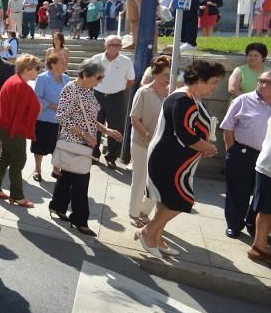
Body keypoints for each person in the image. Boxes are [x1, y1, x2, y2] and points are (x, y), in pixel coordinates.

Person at [140, 60, 225, 258]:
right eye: (213, 82)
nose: (215, 87)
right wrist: (209, 148)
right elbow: (185, 134)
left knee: (167, 201)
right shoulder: (184, 99)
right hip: (170, 160)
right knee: (180, 201)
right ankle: (147, 232)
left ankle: (157, 237)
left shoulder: (191, 98)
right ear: (199, 80)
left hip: (178, 161)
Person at [49, 60, 123, 236]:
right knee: (81, 182)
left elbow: (88, 118)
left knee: (67, 176)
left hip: (82, 144)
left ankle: (57, 206)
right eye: (98, 78)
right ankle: (80, 220)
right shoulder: (71, 88)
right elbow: (62, 117)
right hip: (75, 143)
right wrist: (85, 134)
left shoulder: (87, 90)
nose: (100, 81)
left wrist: (106, 130)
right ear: (86, 75)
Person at [220, 71, 271, 238]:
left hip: (266, 158)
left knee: (261, 194)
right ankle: (234, 225)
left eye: (268, 82)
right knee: (238, 192)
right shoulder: (243, 100)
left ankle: (254, 226)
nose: (263, 85)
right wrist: (232, 150)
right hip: (242, 153)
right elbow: (228, 127)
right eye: (261, 81)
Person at [0, 54, 41, 207]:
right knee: (19, 160)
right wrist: (15, 132)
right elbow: (18, 114)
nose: (38, 71)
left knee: (5, 157)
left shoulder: (13, 80)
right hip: (11, 128)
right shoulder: (21, 86)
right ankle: (17, 196)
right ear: (27, 69)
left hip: (4, 126)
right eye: (36, 68)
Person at [128, 56, 170, 228]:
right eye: (166, 74)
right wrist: (147, 135)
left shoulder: (172, 93)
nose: (169, 78)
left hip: (162, 146)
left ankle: (145, 211)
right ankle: (134, 213)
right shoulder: (144, 92)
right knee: (140, 179)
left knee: (158, 181)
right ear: (156, 73)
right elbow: (134, 118)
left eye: (170, 74)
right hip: (142, 143)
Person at [90, 36, 135, 169]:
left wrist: (117, 89)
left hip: (116, 97)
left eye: (118, 45)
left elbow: (131, 80)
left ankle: (111, 158)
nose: (115, 47)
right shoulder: (96, 59)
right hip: (97, 95)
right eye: (112, 44)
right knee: (94, 125)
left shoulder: (126, 61)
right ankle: (94, 154)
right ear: (106, 45)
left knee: (116, 127)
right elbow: (89, 76)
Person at [32, 54, 71, 182]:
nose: (65, 65)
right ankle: (37, 170)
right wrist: (50, 105)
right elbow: (36, 97)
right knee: (40, 146)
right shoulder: (42, 78)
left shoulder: (66, 78)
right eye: (62, 63)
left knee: (59, 146)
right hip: (44, 118)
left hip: (61, 120)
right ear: (53, 64)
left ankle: (56, 170)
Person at [248, 116, 271, 266]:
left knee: (266, 210)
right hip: (268, 167)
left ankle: (259, 246)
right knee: (265, 210)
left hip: (266, 166)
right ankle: (258, 247)